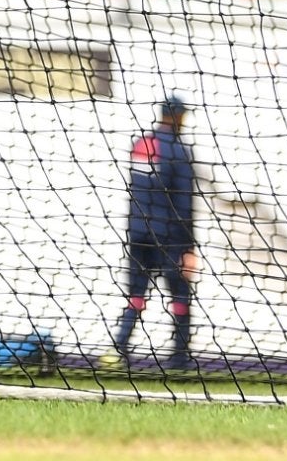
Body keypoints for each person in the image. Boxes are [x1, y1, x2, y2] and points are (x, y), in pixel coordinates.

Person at [109, 94, 198, 371]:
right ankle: (180, 357)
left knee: (136, 294)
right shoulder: (178, 149)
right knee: (180, 296)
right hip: (168, 235)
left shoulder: (141, 144)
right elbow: (184, 202)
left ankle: (118, 349)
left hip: (137, 232)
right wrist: (189, 248)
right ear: (177, 116)